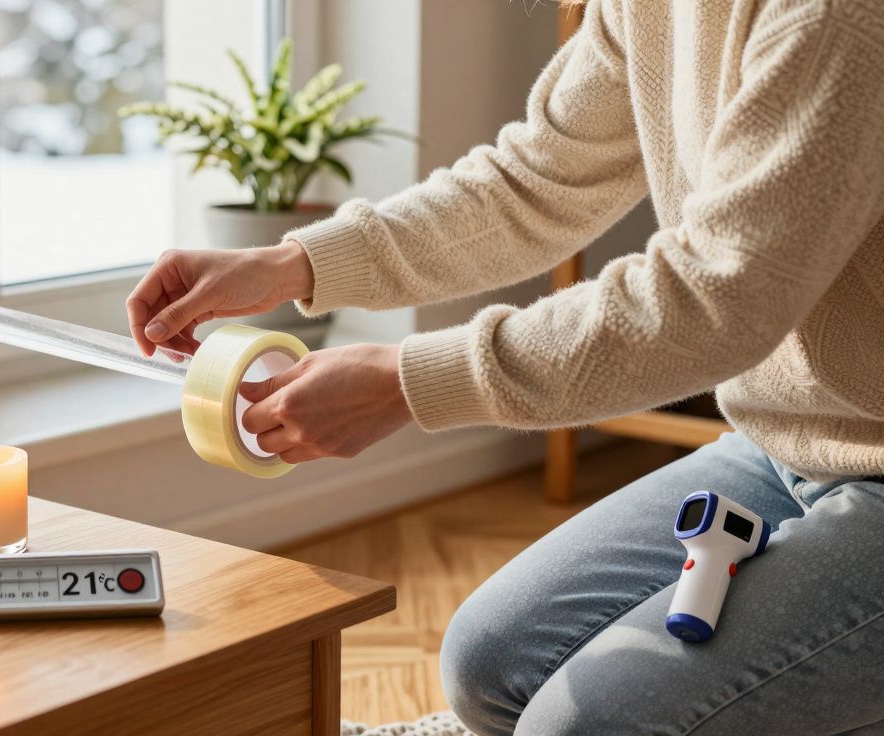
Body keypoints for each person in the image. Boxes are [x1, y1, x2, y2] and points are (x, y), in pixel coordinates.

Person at [128, 0, 884, 733]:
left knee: (586, 725)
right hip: (780, 448)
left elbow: (711, 301)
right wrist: (292, 264)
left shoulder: (837, 17)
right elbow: (533, 181)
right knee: (490, 670)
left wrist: (406, 382)